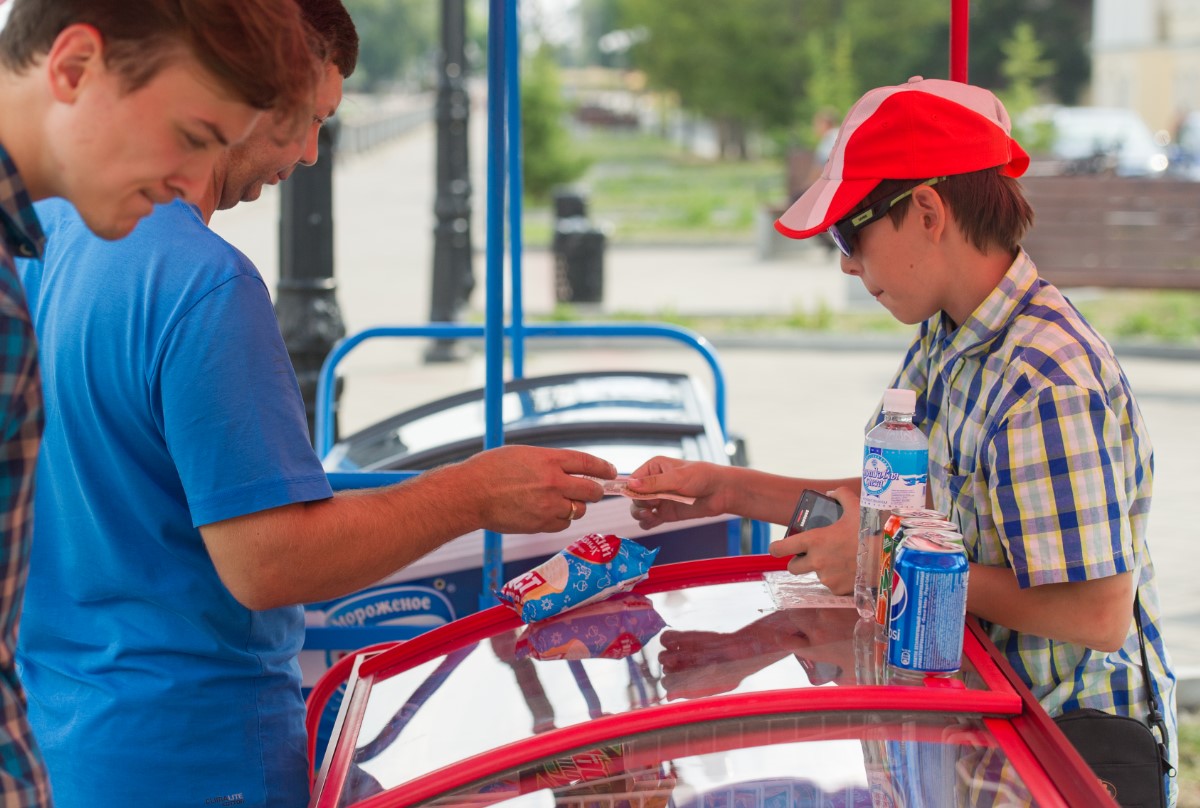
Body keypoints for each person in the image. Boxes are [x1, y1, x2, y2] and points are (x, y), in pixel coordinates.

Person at [14, 2, 615, 806]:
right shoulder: (202, 282)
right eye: (297, 119)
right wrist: (473, 492)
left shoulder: (42, 230)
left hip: (59, 730)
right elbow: (269, 561)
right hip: (193, 752)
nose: (306, 153)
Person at [626, 77, 1177, 802]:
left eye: (849, 233)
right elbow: (901, 496)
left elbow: (1094, 612)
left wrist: (881, 569)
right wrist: (724, 490)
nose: (848, 264)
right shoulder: (949, 338)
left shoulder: (1047, 379)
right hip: (974, 730)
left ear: (925, 211)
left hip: (1056, 755)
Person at [0, 0, 318, 802]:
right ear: (74, 69)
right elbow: (267, 558)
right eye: (195, 136)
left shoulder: (35, 255)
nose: (192, 186)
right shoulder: (193, 274)